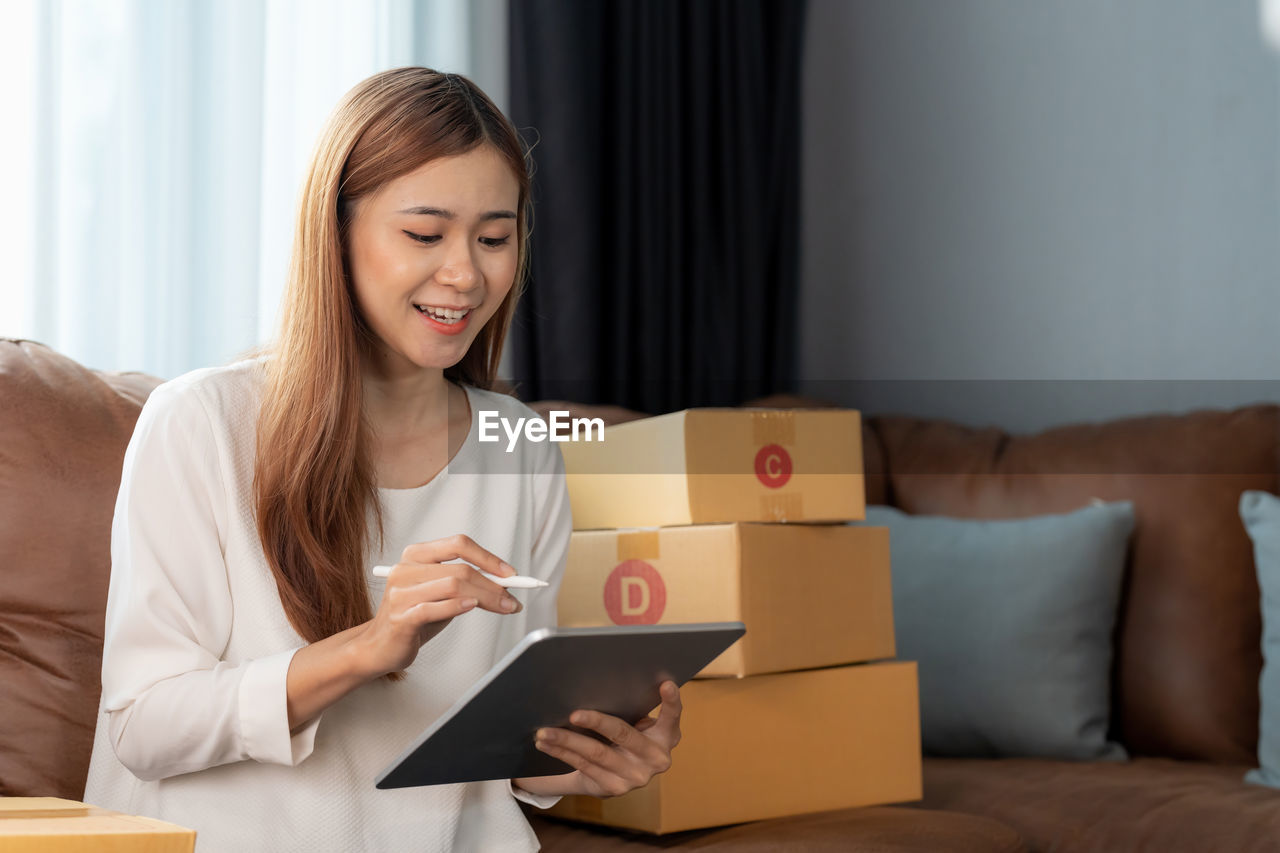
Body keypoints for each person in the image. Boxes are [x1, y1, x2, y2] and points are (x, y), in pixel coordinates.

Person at [83, 67, 682, 852]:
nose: (466, 273)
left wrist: (581, 759)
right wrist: (367, 647)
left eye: (495, 237)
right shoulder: (201, 423)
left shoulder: (522, 445)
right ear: (335, 233)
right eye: (425, 234)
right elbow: (144, 725)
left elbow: (499, 741)